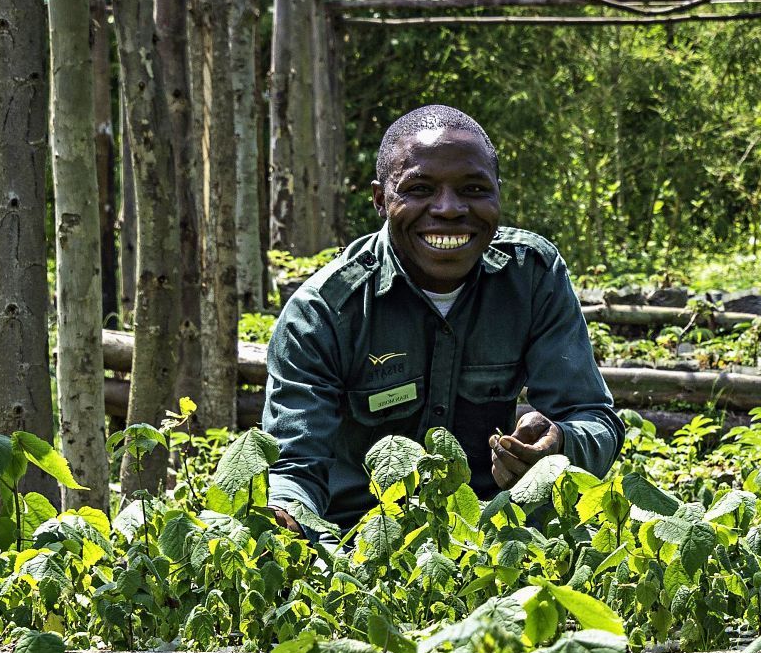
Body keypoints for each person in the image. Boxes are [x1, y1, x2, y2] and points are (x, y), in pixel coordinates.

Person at [262, 105, 621, 533]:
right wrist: (286, 519)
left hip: (493, 539)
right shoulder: (322, 312)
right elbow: (294, 467)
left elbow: (593, 417)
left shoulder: (531, 278)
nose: (449, 209)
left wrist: (558, 444)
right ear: (381, 199)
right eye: (419, 189)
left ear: (497, 194)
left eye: (473, 189)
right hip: (354, 542)